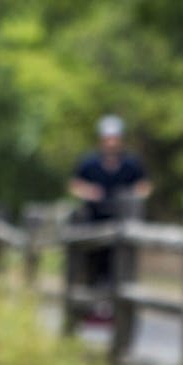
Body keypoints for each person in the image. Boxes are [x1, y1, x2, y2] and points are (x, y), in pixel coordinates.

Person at [68, 115, 151, 307]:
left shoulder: (131, 164)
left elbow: (144, 186)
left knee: (118, 265)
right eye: (108, 138)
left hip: (122, 222)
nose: (112, 142)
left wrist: (132, 194)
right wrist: (89, 192)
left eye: (115, 137)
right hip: (94, 222)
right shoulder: (89, 163)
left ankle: (112, 305)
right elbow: (74, 184)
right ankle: (91, 303)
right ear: (102, 139)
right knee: (92, 262)